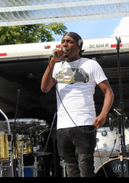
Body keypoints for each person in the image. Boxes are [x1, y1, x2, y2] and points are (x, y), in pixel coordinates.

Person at [41, 32, 114, 177]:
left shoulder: (91, 64)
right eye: (63, 41)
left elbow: (108, 92)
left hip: (84, 122)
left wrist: (103, 114)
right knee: (70, 167)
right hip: (63, 126)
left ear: (79, 46)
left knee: (85, 165)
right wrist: (52, 61)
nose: (64, 44)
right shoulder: (56, 67)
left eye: (69, 41)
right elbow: (44, 88)